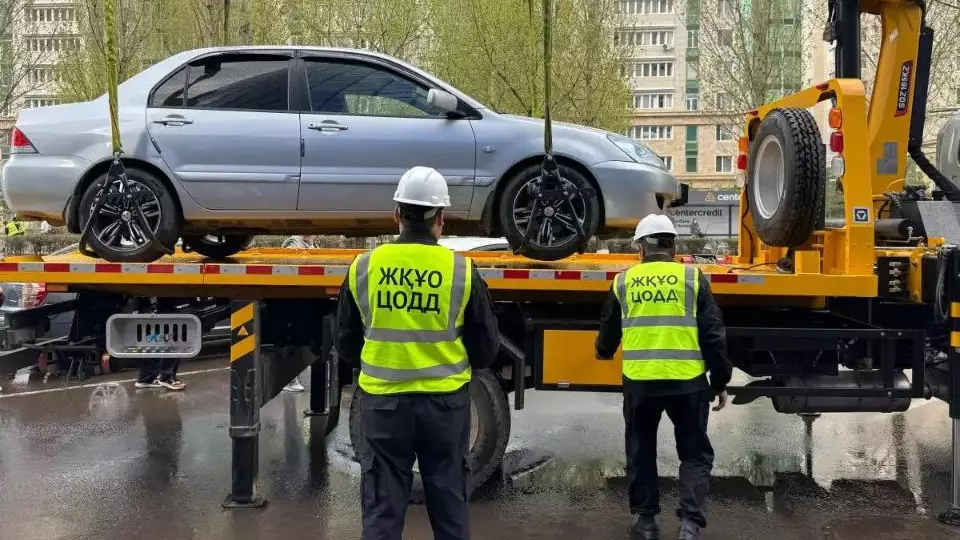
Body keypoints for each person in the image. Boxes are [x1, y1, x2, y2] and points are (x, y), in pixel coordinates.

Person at [335, 166, 499, 540]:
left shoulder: (364, 267)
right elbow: (486, 349)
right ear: (440, 218)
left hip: (383, 409)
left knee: (381, 512)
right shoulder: (460, 270)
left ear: (397, 215)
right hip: (444, 409)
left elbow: (345, 345)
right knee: (450, 508)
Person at [595, 213, 732, 540]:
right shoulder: (693, 278)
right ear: (673, 246)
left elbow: (608, 330)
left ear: (641, 247)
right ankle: (689, 526)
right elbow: (713, 336)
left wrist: (603, 351)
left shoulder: (624, 281)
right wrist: (720, 381)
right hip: (688, 384)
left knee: (641, 451)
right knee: (695, 453)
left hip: (641, 384)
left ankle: (646, 523)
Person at [281, 234, 319, 392]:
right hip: (293, 299)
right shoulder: (293, 244)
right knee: (293, 340)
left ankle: (291, 378)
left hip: (302, 299)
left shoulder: (312, 245)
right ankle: (289, 380)